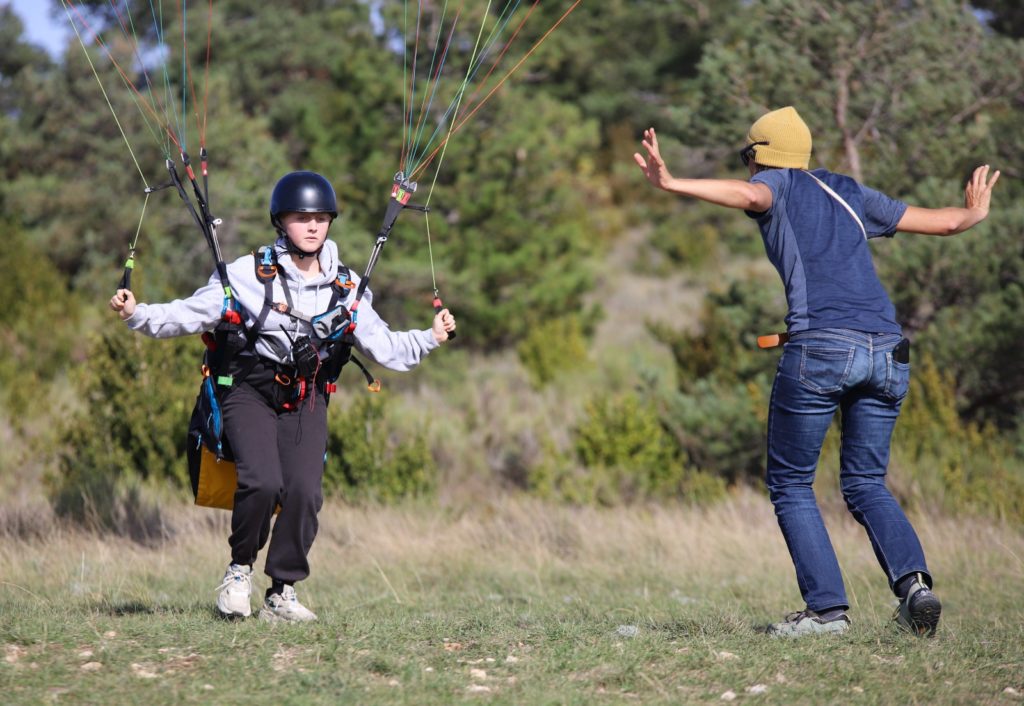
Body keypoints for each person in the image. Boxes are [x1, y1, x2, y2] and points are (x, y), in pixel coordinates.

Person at [634, 106, 999, 638]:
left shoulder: (773, 186)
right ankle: (915, 589)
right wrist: (972, 216)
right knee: (867, 483)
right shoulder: (846, 191)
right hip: (889, 350)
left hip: (823, 348)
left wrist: (671, 182)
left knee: (790, 483)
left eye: (747, 158)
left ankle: (827, 612)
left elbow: (749, 195)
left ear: (760, 158)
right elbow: (945, 222)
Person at [109, 171, 456, 622]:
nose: (311, 226)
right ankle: (238, 573)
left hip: (307, 395)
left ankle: (281, 591)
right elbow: (189, 314)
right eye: (300, 218)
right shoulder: (247, 273)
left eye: (319, 218)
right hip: (248, 390)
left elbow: (385, 346)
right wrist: (137, 313)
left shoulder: (348, 287)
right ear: (281, 222)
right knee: (263, 481)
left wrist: (430, 337)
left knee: (304, 491)